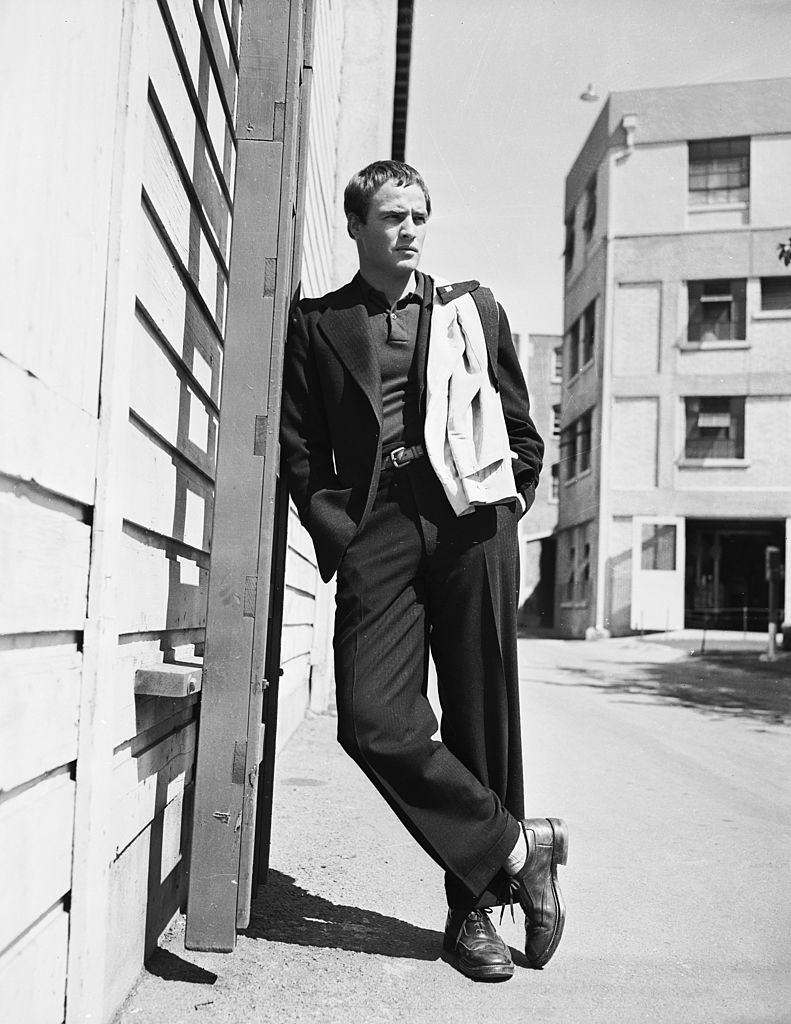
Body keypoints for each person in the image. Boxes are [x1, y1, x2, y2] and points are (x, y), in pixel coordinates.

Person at [280, 159, 567, 981]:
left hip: (469, 521)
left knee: (481, 715)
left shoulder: (469, 311)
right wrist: (338, 520)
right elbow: (299, 447)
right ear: (357, 225)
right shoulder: (318, 323)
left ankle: (470, 913)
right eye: (392, 217)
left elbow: (520, 429)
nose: (408, 231)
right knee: (370, 717)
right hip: (377, 526)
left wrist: (504, 507)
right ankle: (519, 848)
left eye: (418, 217)